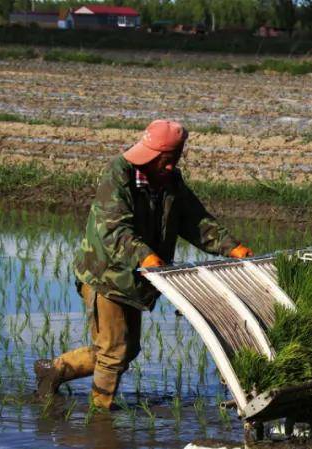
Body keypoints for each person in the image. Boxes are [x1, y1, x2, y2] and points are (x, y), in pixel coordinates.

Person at [34, 119, 252, 409]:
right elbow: (115, 230)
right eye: (158, 157)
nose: (163, 165)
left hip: (136, 279)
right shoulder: (117, 176)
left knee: (126, 350)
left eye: (168, 159)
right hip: (107, 274)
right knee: (113, 353)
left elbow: (196, 222)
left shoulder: (171, 182)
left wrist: (234, 248)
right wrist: (147, 257)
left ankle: (54, 371)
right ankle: (100, 422)